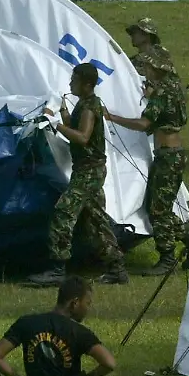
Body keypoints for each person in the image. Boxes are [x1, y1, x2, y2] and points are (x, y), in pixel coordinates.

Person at [27, 63, 128, 286]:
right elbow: (73, 126)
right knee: (97, 222)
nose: (70, 83)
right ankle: (116, 268)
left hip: (89, 171)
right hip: (87, 170)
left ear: (87, 84)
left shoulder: (90, 107)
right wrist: (62, 111)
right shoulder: (84, 103)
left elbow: (82, 137)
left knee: (63, 213)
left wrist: (55, 124)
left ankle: (57, 268)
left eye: (74, 80)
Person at [104, 49, 189, 275]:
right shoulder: (174, 88)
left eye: (147, 66)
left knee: (158, 210)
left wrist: (112, 117)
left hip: (167, 156)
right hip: (173, 154)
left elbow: (144, 124)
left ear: (156, 68)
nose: (144, 70)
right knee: (160, 207)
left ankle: (167, 258)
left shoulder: (162, 93)